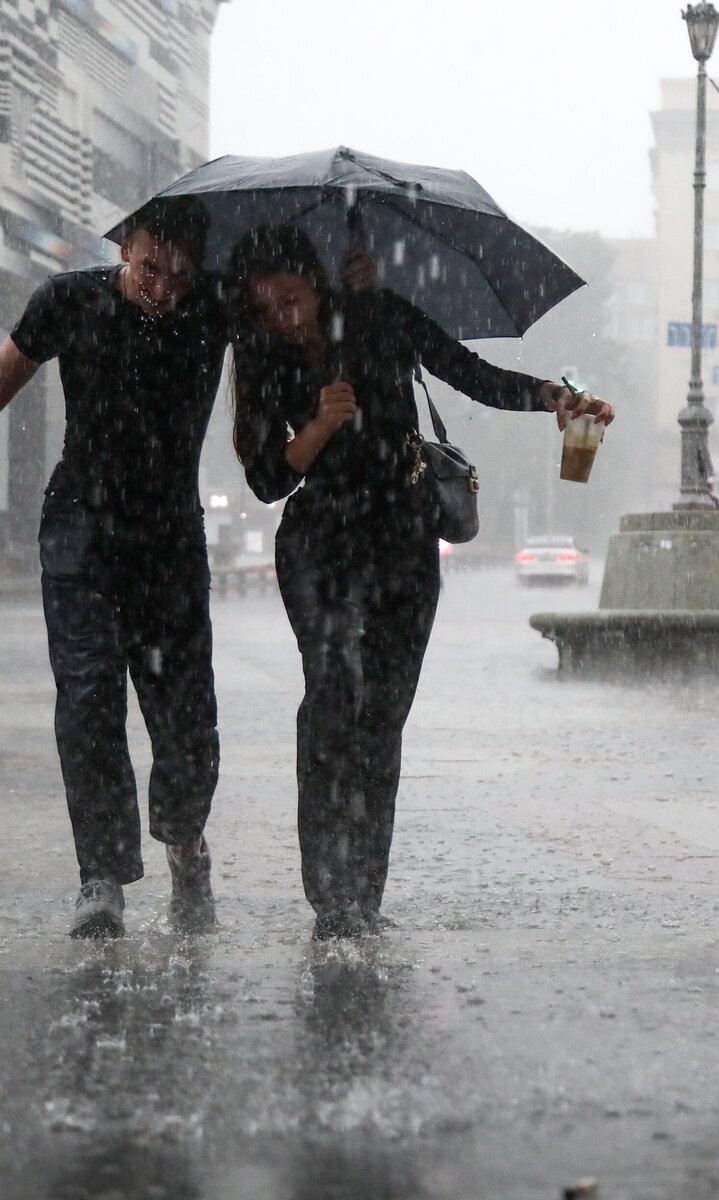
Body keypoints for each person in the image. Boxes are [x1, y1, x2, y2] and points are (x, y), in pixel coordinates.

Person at [227, 224, 614, 940]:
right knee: (333, 693)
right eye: (267, 307)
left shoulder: (381, 314)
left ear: (316, 281)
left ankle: (362, 896)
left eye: (292, 297)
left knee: (381, 718)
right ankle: (328, 896)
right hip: (318, 545)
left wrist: (564, 396)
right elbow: (264, 477)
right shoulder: (255, 354)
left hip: (401, 541)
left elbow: (475, 376)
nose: (285, 316)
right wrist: (315, 425)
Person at [0, 200, 224, 937]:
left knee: (183, 714)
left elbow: (298, 313)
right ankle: (101, 876)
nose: (162, 287)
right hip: (81, 528)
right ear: (124, 247)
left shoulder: (214, 311)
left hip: (169, 538)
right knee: (90, 698)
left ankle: (186, 845)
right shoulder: (69, 300)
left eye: (179, 274)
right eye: (149, 268)